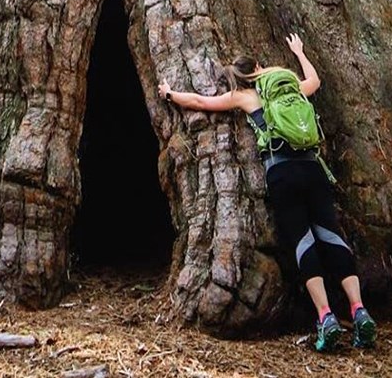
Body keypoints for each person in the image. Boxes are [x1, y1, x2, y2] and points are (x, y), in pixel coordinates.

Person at [160, 33, 377, 353]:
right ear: (260, 66)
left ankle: (326, 316)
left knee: (303, 242)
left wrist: (169, 93)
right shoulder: (288, 84)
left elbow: (201, 102)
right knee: (331, 237)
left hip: (282, 172)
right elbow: (314, 81)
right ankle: (359, 311)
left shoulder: (245, 97)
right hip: (313, 168)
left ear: (239, 79)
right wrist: (300, 52)